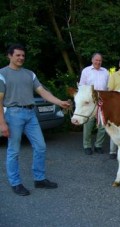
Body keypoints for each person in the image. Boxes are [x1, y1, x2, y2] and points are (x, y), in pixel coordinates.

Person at [0, 44, 70, 196]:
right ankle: (16, 183)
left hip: (30, 114)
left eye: (23, 55)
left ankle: (39, 179)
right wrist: (2, 123)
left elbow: (42, 92)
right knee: (13, 151)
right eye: (18, 55)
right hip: (13, 114)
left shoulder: (29, 74)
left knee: (40, 146)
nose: (21, 58)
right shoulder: (2, 74)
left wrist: (59, 102)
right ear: (9, 56)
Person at [79, 53, 109, 155]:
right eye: (96, 60)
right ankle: (87, 145)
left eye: (100, 60)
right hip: (90, 102)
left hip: (102, 101)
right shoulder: (86, 71)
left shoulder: (105, 71)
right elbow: (82, 87)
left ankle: (98, 145)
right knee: (88, 124)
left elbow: (108, 87)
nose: (98, 62)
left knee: (102, 125)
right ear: (92, 60)